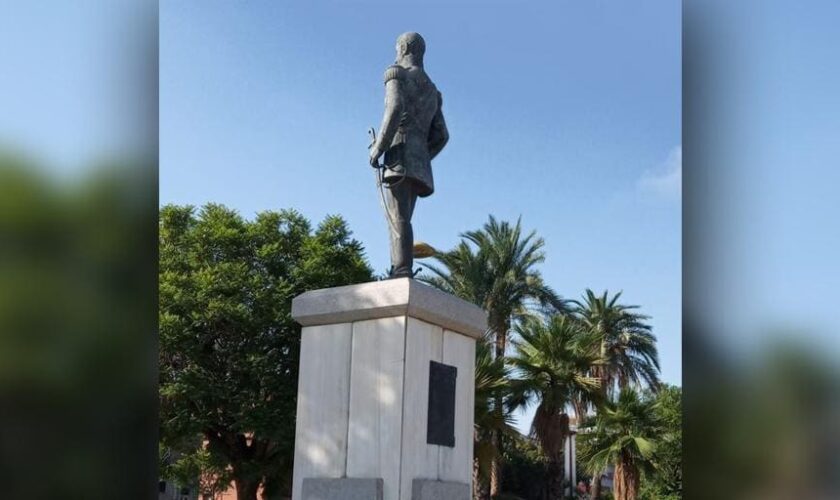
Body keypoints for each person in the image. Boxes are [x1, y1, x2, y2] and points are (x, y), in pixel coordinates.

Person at [369, 32, 449, 278]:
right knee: (403, 217)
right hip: (418, 163)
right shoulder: (433, 91)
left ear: (404, 48)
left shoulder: (396, 73)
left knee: (397, 218)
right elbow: (442, 135)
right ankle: (402, 268)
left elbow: (394, 108)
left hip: (399, 157)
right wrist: (422, 156)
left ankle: (401, 270)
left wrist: (378, 148)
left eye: (397, 48)